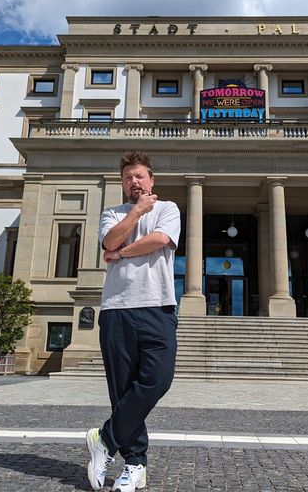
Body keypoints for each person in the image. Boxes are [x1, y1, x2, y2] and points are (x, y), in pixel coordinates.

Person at [86, 151, 181, 492]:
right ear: (123, 184)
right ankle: (135, 464)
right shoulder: (112, 213)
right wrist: (137, 212)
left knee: (158, 380)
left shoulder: (168, 209)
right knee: (123, 390)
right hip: (117, 308)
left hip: (158, 306)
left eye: (140, 176)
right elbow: (109, 240)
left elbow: (159, 240)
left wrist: (122, 252)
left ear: (151, 180)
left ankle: (104, 439)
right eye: (128, 178)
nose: (134, 182)